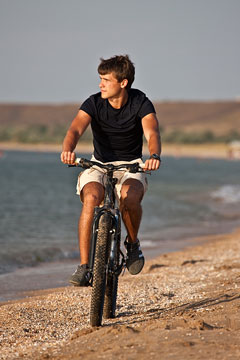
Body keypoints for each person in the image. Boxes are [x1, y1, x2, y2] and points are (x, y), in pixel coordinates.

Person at [61, 55, 161, 286]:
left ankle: (133, 245)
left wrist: (154, 155)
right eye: (100, 79)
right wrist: (68, 150)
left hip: (131, 165)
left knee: (128, 196)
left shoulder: (140, 102)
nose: (100, 84)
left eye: (106, 80)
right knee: (92, 199)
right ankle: (84, 267)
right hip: (99, 163)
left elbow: (152, 132)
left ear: (123, 82)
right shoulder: (94, 103)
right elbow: (75, 130)